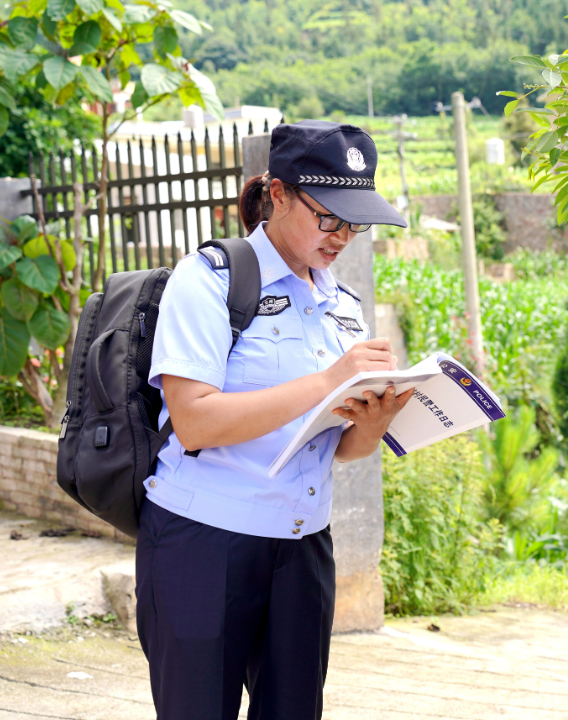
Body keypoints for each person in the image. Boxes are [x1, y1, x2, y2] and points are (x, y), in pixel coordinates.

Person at [136, 120, 412, 719]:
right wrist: (327, 381)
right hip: (203, 542)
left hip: (302, 548)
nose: (342, 236)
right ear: (280, 194)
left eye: (355, 222)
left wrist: (374, 419)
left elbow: (339, 448)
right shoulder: (210, 279)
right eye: (329, 216)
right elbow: (195, 422)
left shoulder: (341, 306)